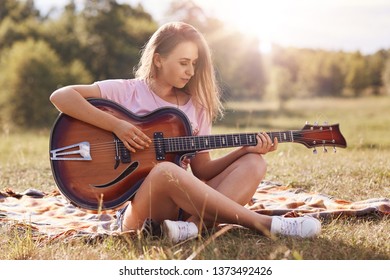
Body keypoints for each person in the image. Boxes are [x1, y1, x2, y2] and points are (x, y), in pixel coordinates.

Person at [50, 21, 321, 243]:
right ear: (158, 60)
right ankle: (266, 225)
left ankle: (192, 228)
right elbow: (61, 96)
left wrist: (244, 150)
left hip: (186, 209)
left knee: (254, 162)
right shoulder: (127, 90)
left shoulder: (197, 107)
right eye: (183, 63)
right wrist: (117, 125)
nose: (191, 71)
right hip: (143, 211)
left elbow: (202, 171)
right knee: (165, 171)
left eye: (194, 63)